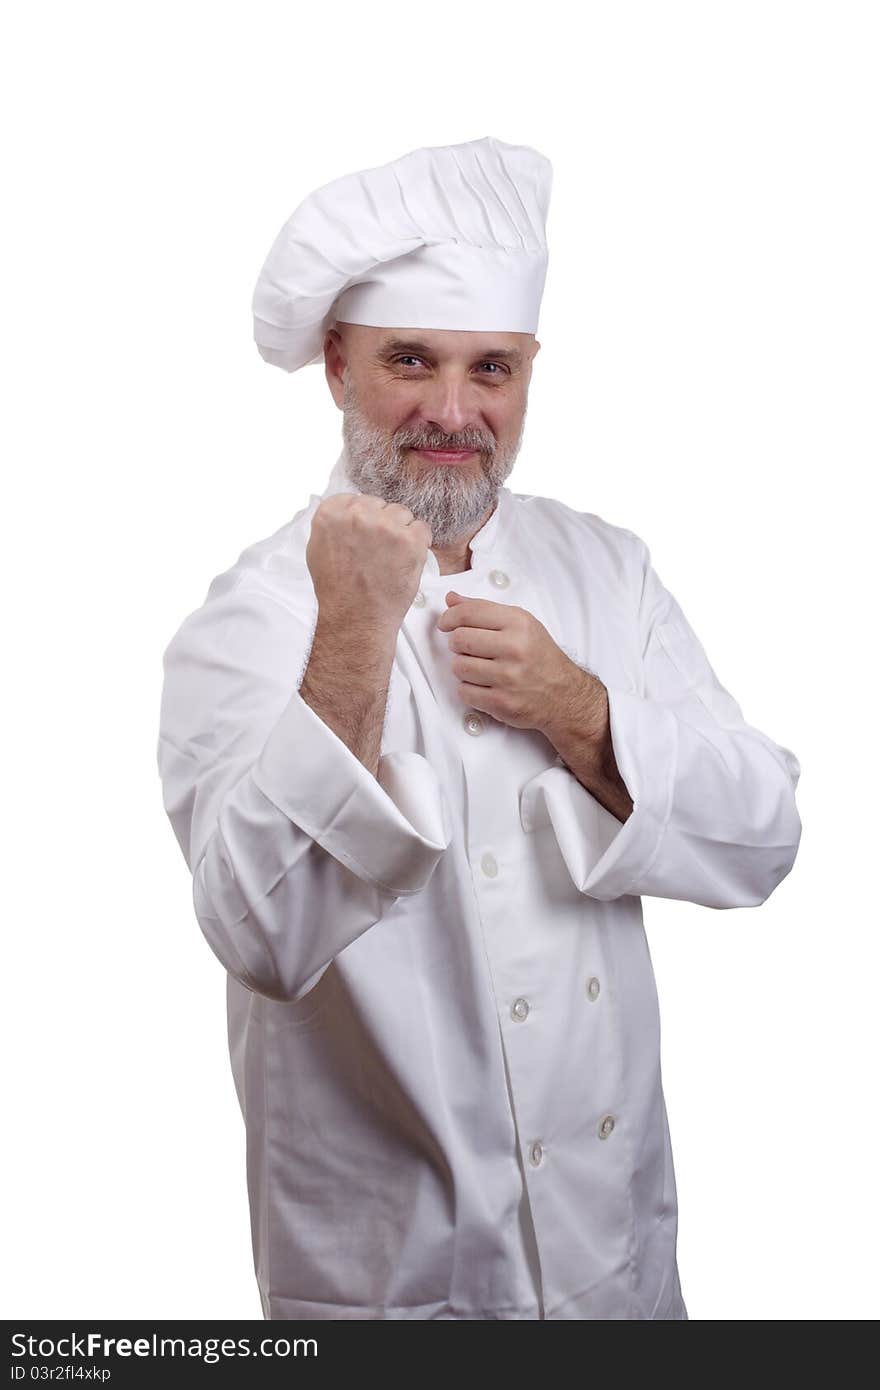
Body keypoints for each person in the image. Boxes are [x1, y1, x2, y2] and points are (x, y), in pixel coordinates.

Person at [156, 135, 802, 1320]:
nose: (454, 413)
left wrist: (579, 708)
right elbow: (258, 929)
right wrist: (351, 632)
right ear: (339, 367)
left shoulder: (608, 572)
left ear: (530, 370)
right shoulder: (250, 621)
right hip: (398, 1292)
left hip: (620, 1272)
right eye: (412, 360)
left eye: (491, 370)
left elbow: (763, 835)